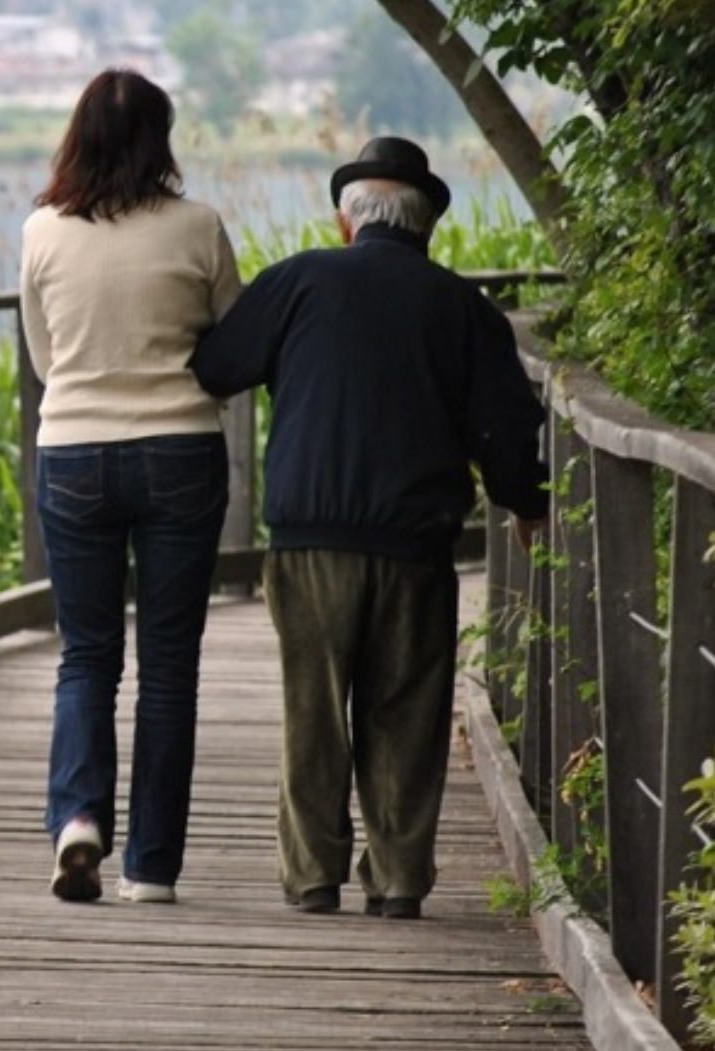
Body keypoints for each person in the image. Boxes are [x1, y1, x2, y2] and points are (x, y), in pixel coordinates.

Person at [190, 136, 549, 920]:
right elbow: (504, 430)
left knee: (312, 713)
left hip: (309, 539)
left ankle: (313, 877)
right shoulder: (462, 308)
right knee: (406, 717)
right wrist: (526, 503)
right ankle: (395, 882)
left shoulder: (295, 281)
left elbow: (217, 366)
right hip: (417, 548)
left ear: (346, 221)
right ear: (425, 229)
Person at [20, 68, 242, 904]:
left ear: (77, 135)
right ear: (160, 138)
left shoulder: (42, 230)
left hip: (74, 449)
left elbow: (45, 358)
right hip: (180, 447)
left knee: (85, 655)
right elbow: (232, 340)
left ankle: (77, 817)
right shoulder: (198, 226)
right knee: (169, 665)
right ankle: (150, 866)